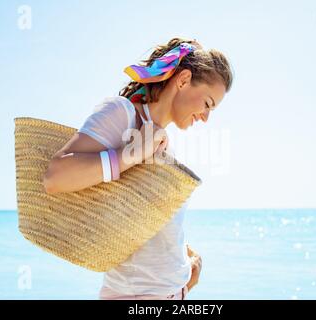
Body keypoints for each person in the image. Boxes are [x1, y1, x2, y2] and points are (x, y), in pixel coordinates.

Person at [43, 37, 233, 300]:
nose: (206, 116)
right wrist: (128, 155)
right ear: (183, 80)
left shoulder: (163, 142)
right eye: (208, 104)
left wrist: (188, 275)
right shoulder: (122, 113)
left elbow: (141, 228)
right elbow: (55, 176)